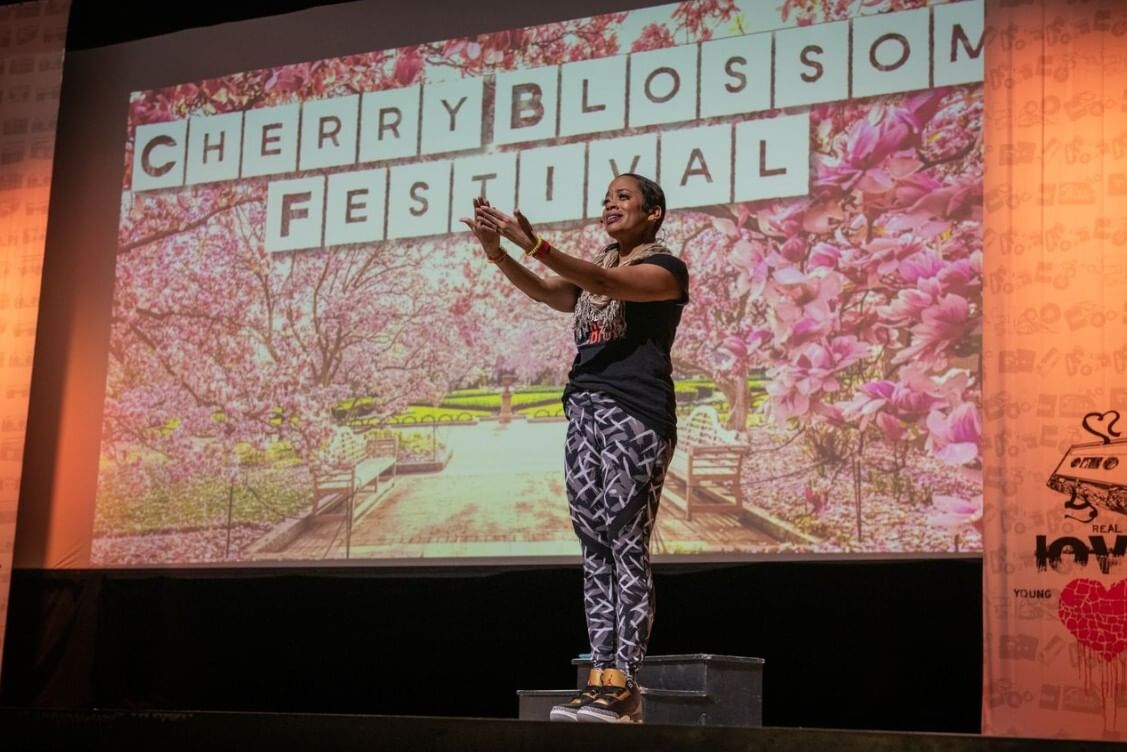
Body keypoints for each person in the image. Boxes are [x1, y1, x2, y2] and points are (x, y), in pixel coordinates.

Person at [461, 174, 690, 723]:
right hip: (584, 410)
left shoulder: (665, 270)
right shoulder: (596, 274)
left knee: (625, 544)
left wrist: (533, 243)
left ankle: (626, 685)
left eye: (623, 197)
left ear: (653, 213)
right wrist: (498, 254)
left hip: (634, 413)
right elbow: (550, 292)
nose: (610, 204)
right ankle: (598, 678)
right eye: (606, 198)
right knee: (594, 548)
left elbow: (603, 281)